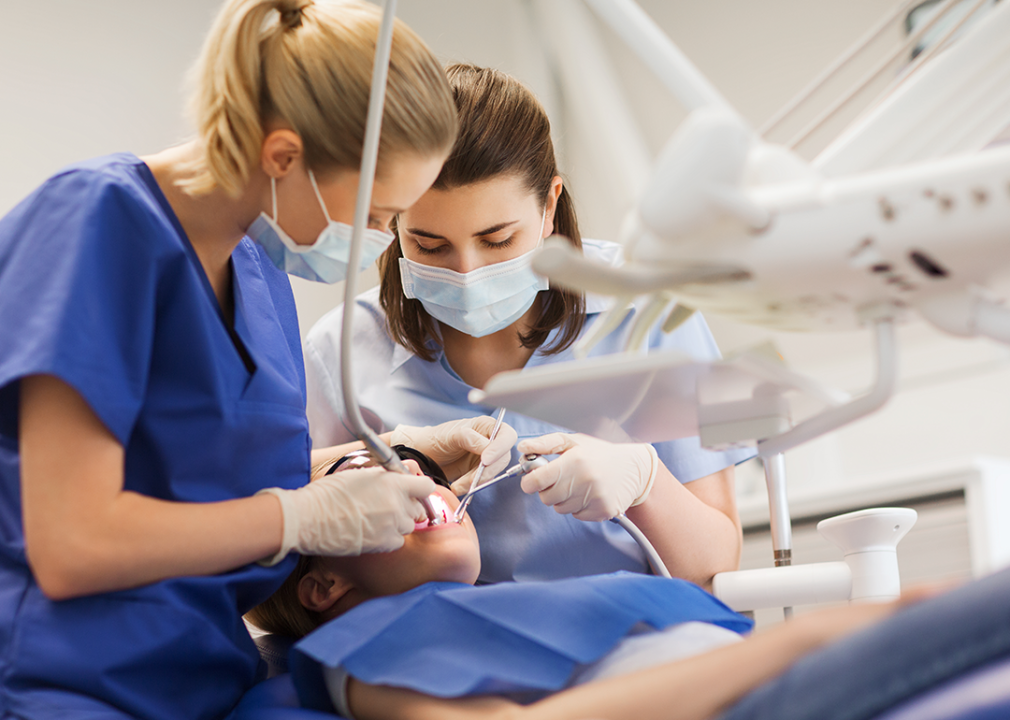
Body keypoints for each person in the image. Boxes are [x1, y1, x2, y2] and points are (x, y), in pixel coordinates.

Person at [0, 3, 514, 718]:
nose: (381, 240)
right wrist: (300, 518)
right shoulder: (99, 224)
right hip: (65, 681)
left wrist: (397, 452)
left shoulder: (257, 266)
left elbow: (193, 476)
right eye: (376, 215)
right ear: (282, 157)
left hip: (208, 680)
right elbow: (72, 541)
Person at [303, 64, 754, 588]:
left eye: (497, 240)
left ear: (549, 207)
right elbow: (288, 552)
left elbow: (717, 567)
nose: (467, 273)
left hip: (635, 636)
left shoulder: (652, 312)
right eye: (429, 245)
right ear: (391, 221)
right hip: (446, 650)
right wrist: (395, 455)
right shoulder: (340, 351)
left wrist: (646, 482)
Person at [248, 480, 1010, 720]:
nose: (406, 476)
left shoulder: (489, 605)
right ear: (323, 585)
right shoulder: (355, 649)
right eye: (363, 479)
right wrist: (798, 642)